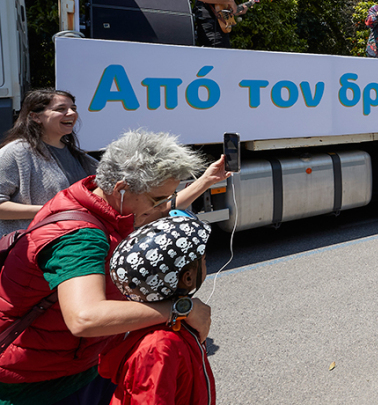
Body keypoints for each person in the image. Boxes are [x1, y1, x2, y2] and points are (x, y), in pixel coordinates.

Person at [0, 130, 229, 405]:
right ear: (121, 188)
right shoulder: (80, 237)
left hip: (75, 363)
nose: (164, 209)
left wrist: (205, 182)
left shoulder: (101, 204)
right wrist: (182, 309)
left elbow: (152, 209)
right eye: (158, 199)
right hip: (38, 384)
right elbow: (85, 317)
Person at [99, 215, 216, 405]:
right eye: (203, 259)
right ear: (187, 278)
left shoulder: (176, 322)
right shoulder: (159, 347)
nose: (206, 262)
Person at [0, 89, 97, 237]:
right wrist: (51, 209)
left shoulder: (81, 158)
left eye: (73, 108)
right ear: (35, 117)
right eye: (61, 109)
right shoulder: (15, 152)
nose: (71, 113)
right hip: (30, 251)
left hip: (75, 245)